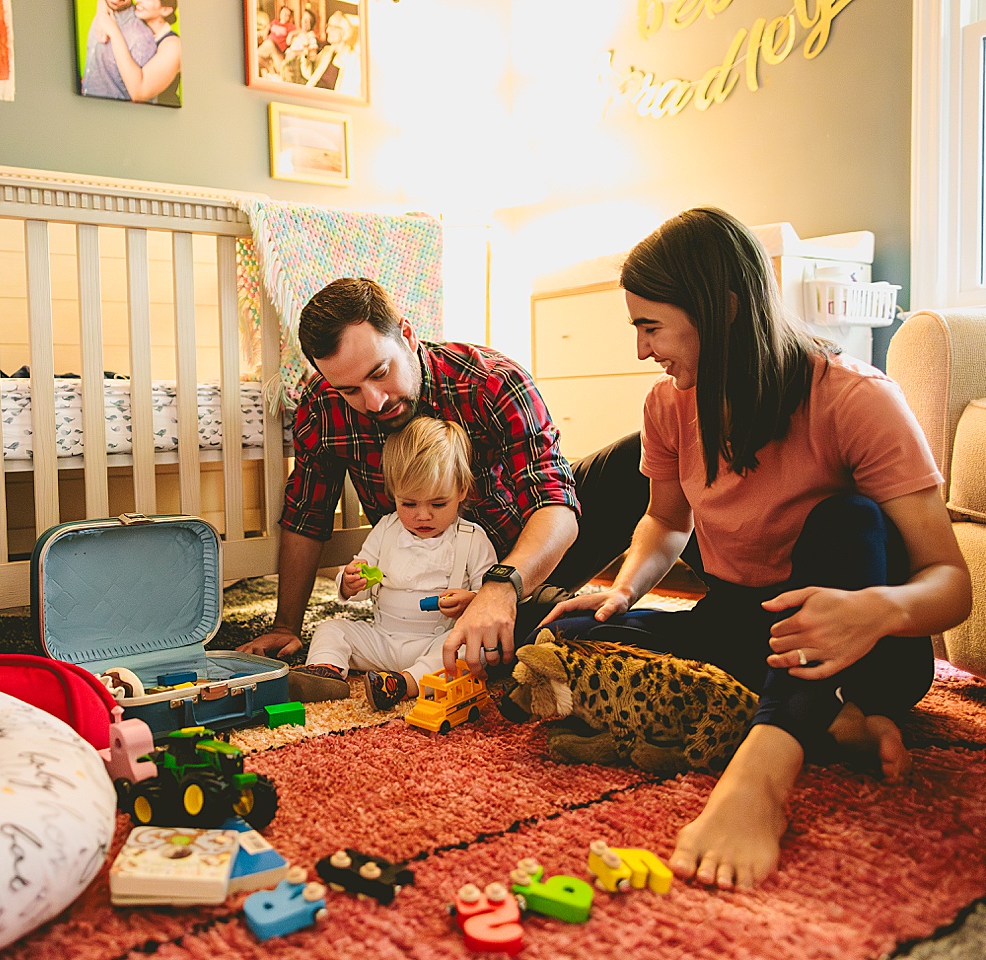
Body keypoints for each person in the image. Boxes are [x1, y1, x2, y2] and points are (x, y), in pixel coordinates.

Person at [537, 207, 970, 890]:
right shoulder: (669, 406)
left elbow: (951, 582)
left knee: (846, 517)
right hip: (749, 624)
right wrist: (624, 589)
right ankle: (835, 728)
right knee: (573, 631)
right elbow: (665, 522)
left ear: (723, 311)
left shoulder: (856, 400)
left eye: (651, 326)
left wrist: (876, 612)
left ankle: (765, 771)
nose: (642, 350)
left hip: (862, 645)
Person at [235, 277, 650, 677]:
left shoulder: (492, 381)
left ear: (408, 336)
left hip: (528, 552)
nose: (374, 401)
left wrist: (501, 586)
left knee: (647, 455)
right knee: (541, 641)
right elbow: (307, 516)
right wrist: (286, 624)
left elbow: (554, 500)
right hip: (439, 589)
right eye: (350, 390)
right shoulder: (323, 408)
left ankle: (715, 611)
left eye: (380, 372)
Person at [287, 417, 498, 711]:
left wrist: (471, 602)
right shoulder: (386, 529)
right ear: (393, 493)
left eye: (438, 504)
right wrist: (350, 582)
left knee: (466, 649)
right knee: (331, 628)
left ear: (461, 491)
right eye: (409, 504)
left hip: (436, 641)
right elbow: (361, 583)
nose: (423, 515)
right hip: (383, 639)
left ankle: (402, 684)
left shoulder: (471, 538)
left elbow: (490, 598)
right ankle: (326, 673)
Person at [86, 0, 181, 105]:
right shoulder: (136, 24)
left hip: (160, 118)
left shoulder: (174, 46)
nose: (139, 0)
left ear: (165, 10)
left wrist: (114, 32)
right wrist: (102, 12)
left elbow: (139, 93)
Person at [305, 11, 360, 95]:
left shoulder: (354, 60)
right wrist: (306, 55)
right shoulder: (327, 51)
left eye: (332, 27)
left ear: (344, 33)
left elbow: (352, 93)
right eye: (328, 26)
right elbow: (309, 74)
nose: (327, 30)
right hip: (310, 98)